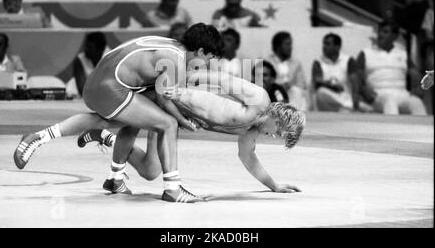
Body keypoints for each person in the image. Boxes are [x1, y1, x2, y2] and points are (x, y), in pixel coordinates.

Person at [13, 23, 224, 203]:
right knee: (168, 123)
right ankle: (173, 188)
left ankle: (114, 177)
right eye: (211, 58)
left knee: (126, 119)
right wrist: (182, 121)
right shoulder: (176, 60)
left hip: (100, 83)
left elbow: (158, 93)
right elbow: (164, 98)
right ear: (201, 51)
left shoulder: (171, 45)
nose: (209, 64)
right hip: (111, 88)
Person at [79, 69, 305, 195]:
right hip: (170, 95)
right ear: (278, 117)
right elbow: (222, 80)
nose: (273, 137)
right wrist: (177, 82)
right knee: (110, 118)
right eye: (279, 132)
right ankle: (108, 155)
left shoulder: (251, 132)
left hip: (173, 116)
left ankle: (106, 139)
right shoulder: (260, 99)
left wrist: (273, 185)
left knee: (150, 171)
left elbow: (248, 158)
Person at [357, 20, 427, 115]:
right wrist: (363, 89)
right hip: (378, 94)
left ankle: (423, 130)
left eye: (385, 32)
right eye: (379, 31)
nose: (380, 34)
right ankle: (393, 130)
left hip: (402, 93)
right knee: (390, 101)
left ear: (395, 36)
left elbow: (415, 73)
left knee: (416, 102)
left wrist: (419, 88)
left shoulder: (403, 53)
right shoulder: (365, 53)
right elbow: (357, 75)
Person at [311, 33, 359, 112]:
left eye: (328, 44)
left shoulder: (348, 60)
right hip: (326, 101)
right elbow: (317, 80)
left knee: (344, 109)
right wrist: (332, 85)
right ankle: (348, 106)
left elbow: (355, 83)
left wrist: (355, 100)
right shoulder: (318, 62)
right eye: (324, 44)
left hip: (344, 97)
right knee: (321, 92)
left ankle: (348, 107)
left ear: (337, 47)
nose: (324, 47)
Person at [267, 32, 308, 111]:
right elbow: (260, 83)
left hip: (291, 94)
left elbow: (302, 84)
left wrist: (290, 85)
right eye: (287, 44)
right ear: (278, 46)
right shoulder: (266, 62)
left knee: (296, 91)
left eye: (290, 44)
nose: (290, 47)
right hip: (274, 93)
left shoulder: (296, 64)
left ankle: (293, 117)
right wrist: (279, 86)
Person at [70, 32, 110, 97]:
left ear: (100, 50)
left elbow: (112, 89)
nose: (85, 49)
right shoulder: (79, 60)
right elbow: (82, 91)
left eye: (89, 47)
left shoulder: (112, 57)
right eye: (85, 46)